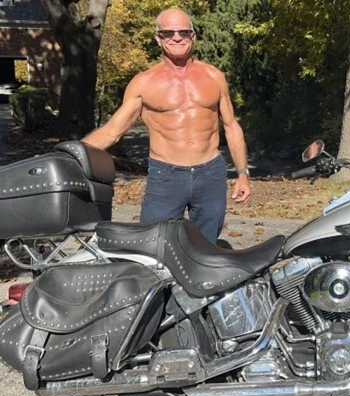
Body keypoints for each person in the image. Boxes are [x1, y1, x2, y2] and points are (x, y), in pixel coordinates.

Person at [82, 7, 251, 244]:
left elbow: (231, 126)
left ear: (193, 35)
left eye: (183, 31)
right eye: (168, 33)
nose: (177, 37)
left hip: (210, 173)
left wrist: (242, 173)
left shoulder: (214, 77)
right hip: (166, 176)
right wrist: (72, 154)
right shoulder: (144, 83)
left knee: (206, 247)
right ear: (158, 38)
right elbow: (113, 131)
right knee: (153, 245)